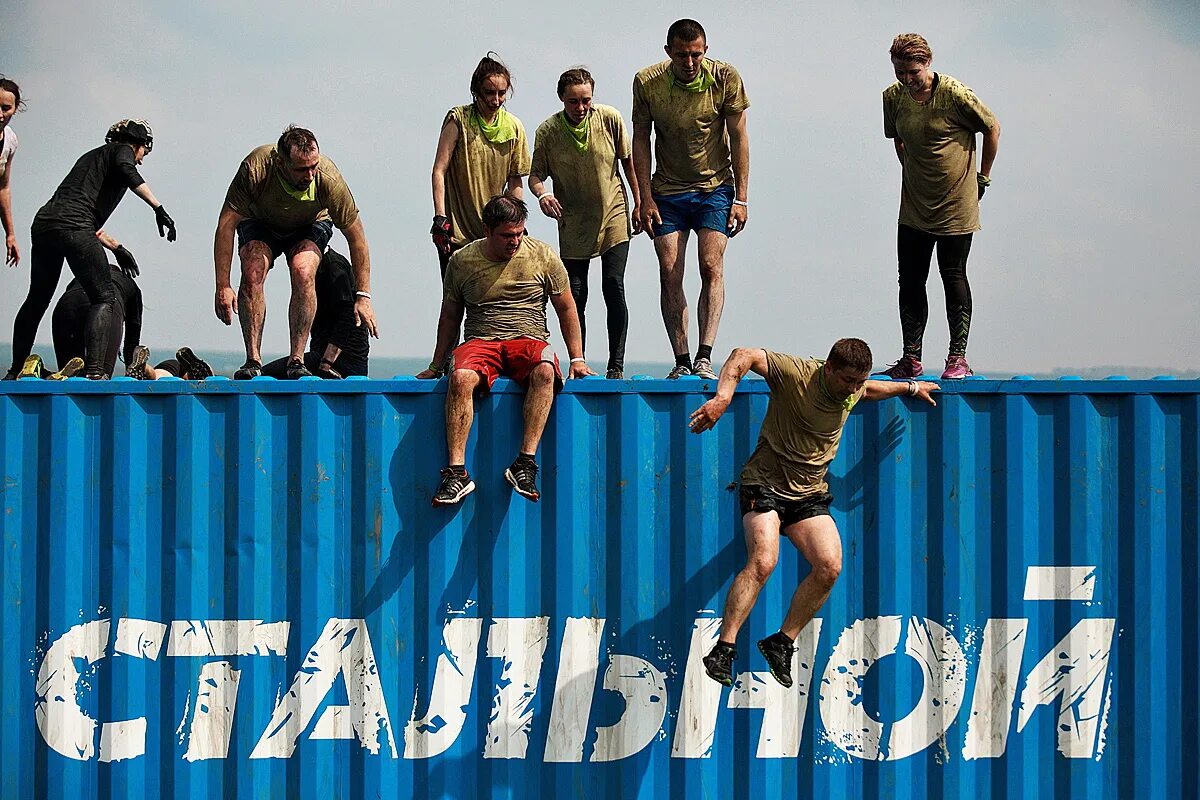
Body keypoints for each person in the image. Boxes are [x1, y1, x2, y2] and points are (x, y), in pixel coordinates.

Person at [688, 340, 939, 687]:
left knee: (830, 565)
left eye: (858, 381)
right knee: (764, 561)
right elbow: (742, 355)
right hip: (764, 484)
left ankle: (781, 642)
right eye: (848, 380)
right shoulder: (797, 374)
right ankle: (724, 648)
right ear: (829, 369)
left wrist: (911, 387)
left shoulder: (853, 388)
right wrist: (722, 398)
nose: (853, 388)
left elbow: (873, 389)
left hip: (807, 495)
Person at [416, 195, 592, 505]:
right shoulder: (462, 261)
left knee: (545, 369)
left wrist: (577, 358)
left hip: (528, 338)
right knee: (460, 377)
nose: (514, 241)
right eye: (507, 235)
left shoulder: (543, 256)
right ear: (487, 230)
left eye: (520, 233)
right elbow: (450, 316)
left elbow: (566, 308)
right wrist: (436, 362)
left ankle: (524, 463)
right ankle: (457, 474)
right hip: (481, 340)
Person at [6, 119, 176, 380]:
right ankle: (95, 372)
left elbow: (77, 214)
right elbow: (126, 171)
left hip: (45, 224)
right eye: (143, 153)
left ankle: (16, 369)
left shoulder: (92, 157)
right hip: (75, 225)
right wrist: (158, 208)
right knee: (104, 297)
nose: (141, 160)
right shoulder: (122, 152)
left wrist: (116, 247)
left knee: (37, 299)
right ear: (139, 144)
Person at [632, 18, 750, 380]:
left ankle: (704, 355)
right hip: (667, 191)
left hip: (715, 188)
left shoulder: (725, 77)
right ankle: (681, 359)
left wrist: (742, 197)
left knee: (711, 265)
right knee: (670, 270)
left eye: (696, 54)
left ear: (705, 51)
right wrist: (644, 198)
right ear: (668, 52)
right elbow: (640, 140)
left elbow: (739, 135)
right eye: (682, 55)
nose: (689, 62)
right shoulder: (647, 82)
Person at [879, 33, 1000, 381]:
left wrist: (983, 177)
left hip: (957, 203)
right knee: (911, 280)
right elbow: (897, 139)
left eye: (912, 72)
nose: (906, 79)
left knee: (953, 275)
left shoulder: (954, 94)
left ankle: (957, 357)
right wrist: (911, 171)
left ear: (927, 64)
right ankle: (910, 358)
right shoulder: (893, 98)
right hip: (915, 204)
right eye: (899, 72)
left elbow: (992, 128)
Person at [214, 125, 378, 380]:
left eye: (313, 166)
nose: (310, 175)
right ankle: (253, 359)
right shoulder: (256, 169)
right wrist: (223, 285)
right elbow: (226, 225)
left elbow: (357, 238)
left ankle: (297, 360)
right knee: (253, 269)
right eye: (302, 169)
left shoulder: (328, 178)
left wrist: (364, 295)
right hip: (261, 221)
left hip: (310, 223)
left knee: (303, 268)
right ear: (281, 164)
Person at [530, 67, 641, 379]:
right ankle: (578, 362)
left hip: (613, 213)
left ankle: (615, 365)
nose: (580, 108)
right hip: (573, 221)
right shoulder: (548, 132)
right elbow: (535, 175)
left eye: (586, 101)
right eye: (573, 102)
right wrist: (542, 196)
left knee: (613, 286)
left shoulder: (609, 118)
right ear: (562, 100)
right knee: (575, 293)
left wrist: (640, 202)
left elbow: (628, 161)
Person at [431, 54, 531, 276]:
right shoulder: (459, 120)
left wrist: (516, 218)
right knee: (454, 301)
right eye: (489, 93)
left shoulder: (514, 127)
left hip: (495, 235)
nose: (496, 100)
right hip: (458, 232)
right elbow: (439, 170)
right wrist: (440, 218)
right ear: (476, 91)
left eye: (502, 93)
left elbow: (515, 179)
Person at [261, 248, 370, 379]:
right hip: (325, 356)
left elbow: (348, 315)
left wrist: (326, 363)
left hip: (342, 362)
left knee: (264, 375)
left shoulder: (333, 267)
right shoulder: (315, 268)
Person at [1, 75, 25, 267]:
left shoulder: (10, 141)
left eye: (5, 108)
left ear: (15, 109)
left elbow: (3, 188)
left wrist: (10, 234)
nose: (0, 114)